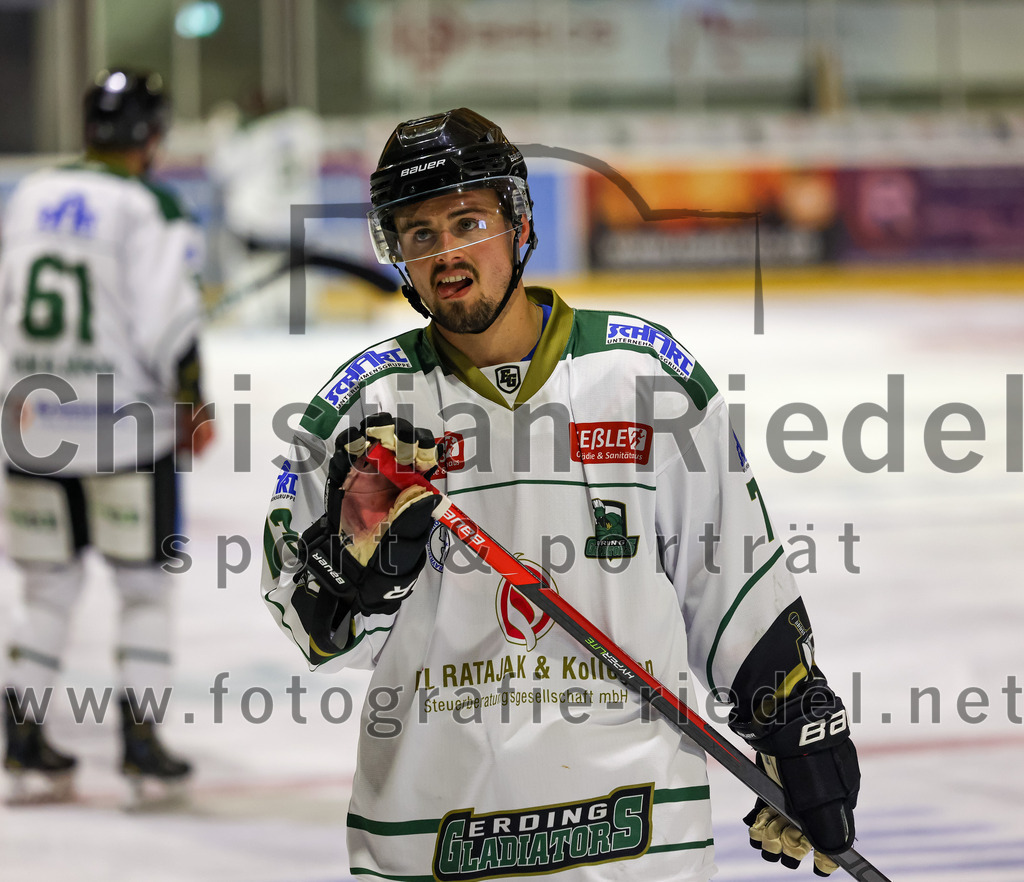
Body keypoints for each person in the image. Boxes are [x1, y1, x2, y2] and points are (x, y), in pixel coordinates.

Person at [261, 108, 859, 880]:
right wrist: (352, 571)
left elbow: (731, 577)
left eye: (468, 221)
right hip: (434, 834)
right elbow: (309, 622)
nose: (446, 254)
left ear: (519, 223)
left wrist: (794, 724)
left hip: (636, 839)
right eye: (419, 235)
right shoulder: (364, 410)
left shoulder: (642, 378)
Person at [0, 68, 214, 800]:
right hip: (123, 428)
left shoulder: (26, 195)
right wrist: (194, 400)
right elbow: (168, 325)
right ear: (153, 135)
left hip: (27, 424)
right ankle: (140, 743)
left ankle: (23, 736)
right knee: (144, 589)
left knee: (47, 588)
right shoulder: (149, 206)